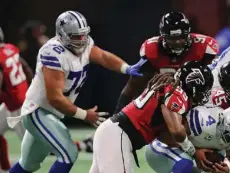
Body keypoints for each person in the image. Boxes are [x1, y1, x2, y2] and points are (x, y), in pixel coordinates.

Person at [10, 61, 213, 173]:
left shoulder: (170, 87)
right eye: (203, 89)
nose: (204, 95)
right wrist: (192, 150)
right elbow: (176, 132)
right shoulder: (176, 93)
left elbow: (164, 134)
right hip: (119, 134)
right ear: (193, 84)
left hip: (114, 132)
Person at [0, 11, 142, 173]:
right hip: (38, 111)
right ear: (63, 35)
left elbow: (102, 56)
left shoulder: (84, 45)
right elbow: (55, 97)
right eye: (77, 37)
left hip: (50, 113)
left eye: (84, 35)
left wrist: (126, 68)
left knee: (27, 163)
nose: (82, 40)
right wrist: (86, 116)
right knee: (68, 153)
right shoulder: (53, 52)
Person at [75, 11, 219, 153]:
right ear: (162, 37)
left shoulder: (204, 48)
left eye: (181, 37)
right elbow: (132, 86)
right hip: (167, 104)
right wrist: (116, 120)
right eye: (171, 38)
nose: (177, 42)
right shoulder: (153, 50)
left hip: (198, 102)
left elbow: (213, 81)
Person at [0, 27, 33, 173]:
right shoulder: (10, 48)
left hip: (18, 108)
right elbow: (24, 66)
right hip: (15, 103)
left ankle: (80, 145)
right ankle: (4, 170)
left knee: (38, 148)